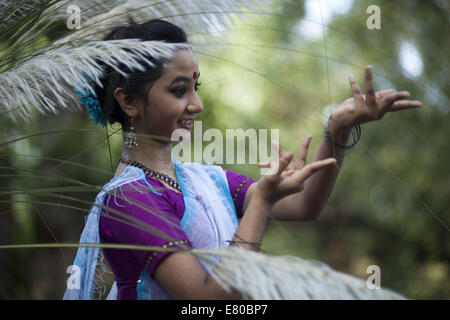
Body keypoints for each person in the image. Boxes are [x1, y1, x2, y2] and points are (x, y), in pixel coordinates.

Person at [64, 19, 422, 300]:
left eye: (195, 87)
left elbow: (303, 205)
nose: (197, 104)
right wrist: (262, 202)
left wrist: (337, 131)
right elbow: (209, 297)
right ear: (129, 102)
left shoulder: (205, 180)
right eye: (178, 90)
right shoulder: (127, 199)